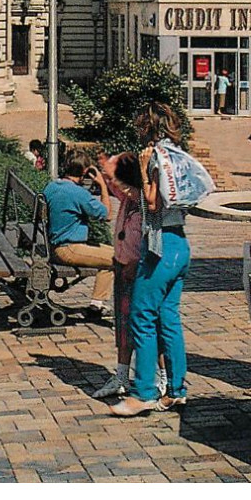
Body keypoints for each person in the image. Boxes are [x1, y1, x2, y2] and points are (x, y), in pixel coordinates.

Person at [111, 103, 191, 418]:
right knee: (168, 318)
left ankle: (142, 392)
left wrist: (143, 175)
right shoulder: (179, 154)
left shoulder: (156, 156)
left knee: (141, 316)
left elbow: (154, 203)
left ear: (148, 127)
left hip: (159, 245)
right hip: (180, 242)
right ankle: (176, 390)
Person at [93, 152, 167, 400]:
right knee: (123, 326)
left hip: (139, 272)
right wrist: (106, 173)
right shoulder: (127, 198)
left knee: (149, 325)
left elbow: (151, 240)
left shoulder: (145, 205)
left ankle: (162, 377)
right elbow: (116, 187)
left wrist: (136, 262)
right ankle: (122, 375)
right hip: (122, 267)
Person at [43, 152, 114, 321]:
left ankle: (97, 303)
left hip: (55, 245)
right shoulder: (78, 193)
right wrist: (103, 185)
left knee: (115, 252)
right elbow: (107, 215)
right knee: (117, 258)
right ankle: (96, 306)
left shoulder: (52, 186)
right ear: (84, 172)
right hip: (68, 249)